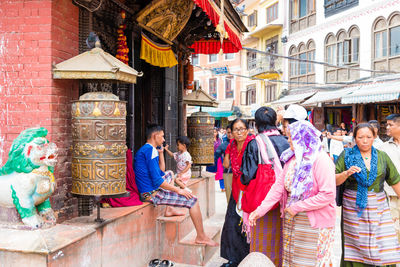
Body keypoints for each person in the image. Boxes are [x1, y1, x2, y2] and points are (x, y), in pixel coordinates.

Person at [249, 119, 337, 267]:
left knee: (311, 262)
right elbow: (278, 187)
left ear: (303, 138)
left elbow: (327, 194)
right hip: (293, 220)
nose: (288, 140)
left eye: (291, 137)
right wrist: (260, 210)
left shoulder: (321, 160)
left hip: (314, 224)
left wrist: (297, 207)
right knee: (293, 261)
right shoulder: (292, 159)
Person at [134, 124, 218, 246]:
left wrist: (161, 153)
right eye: (162, 136)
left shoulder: (147, 149)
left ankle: (169, 209)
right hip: (150, 194)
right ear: (155, 135)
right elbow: (158, 181)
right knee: (193, 200)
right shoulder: (150, 150)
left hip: (149, 188)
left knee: (170, 173)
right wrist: (178, 191)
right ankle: (201, 237)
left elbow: (161, 172)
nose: (163, 140)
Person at [335, 123, 400, 266]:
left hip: (379, 207)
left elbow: (396, 181)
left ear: (374, 137)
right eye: (360, 137)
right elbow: (334, 180)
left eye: (368, 137)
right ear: (354, 138)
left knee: (382, 244)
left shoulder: (382, 156)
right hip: (353, 209)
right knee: (356, 246)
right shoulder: (347, 155)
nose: (365, 141)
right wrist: (346, 173)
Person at [240, 107, 290, 266]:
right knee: (281, 239)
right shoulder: (287, 141)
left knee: (262, 240)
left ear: (256, 124)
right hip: (286, 202)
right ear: (275, 122)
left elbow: (247, 176)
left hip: (262, 203)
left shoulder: (255, 143)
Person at [220, 119, 254, 267]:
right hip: (236, 189)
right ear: (231, 132)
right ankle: (233, 259)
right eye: (235, 129)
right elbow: (226, 165)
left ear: (247, 130)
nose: (239, 132)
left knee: (246, 226)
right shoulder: (232, 145)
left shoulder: (252, 144)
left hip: (250, 190)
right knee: (231, 223)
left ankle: (246, 259)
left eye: (242, 129)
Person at [381, 114, 400, 244]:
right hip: (391, 196)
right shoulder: (383, 147)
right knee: (394, 230)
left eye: (390, 125)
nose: (387, 127)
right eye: (387, 124)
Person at [215, 125, 233, 202]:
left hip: (240, 174)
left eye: (231, 132)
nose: (230, 134)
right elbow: (215, 156)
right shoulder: (223, 145)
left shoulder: (243, 144)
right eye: (228, 132)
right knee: (229, 196)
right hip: (228, 173)